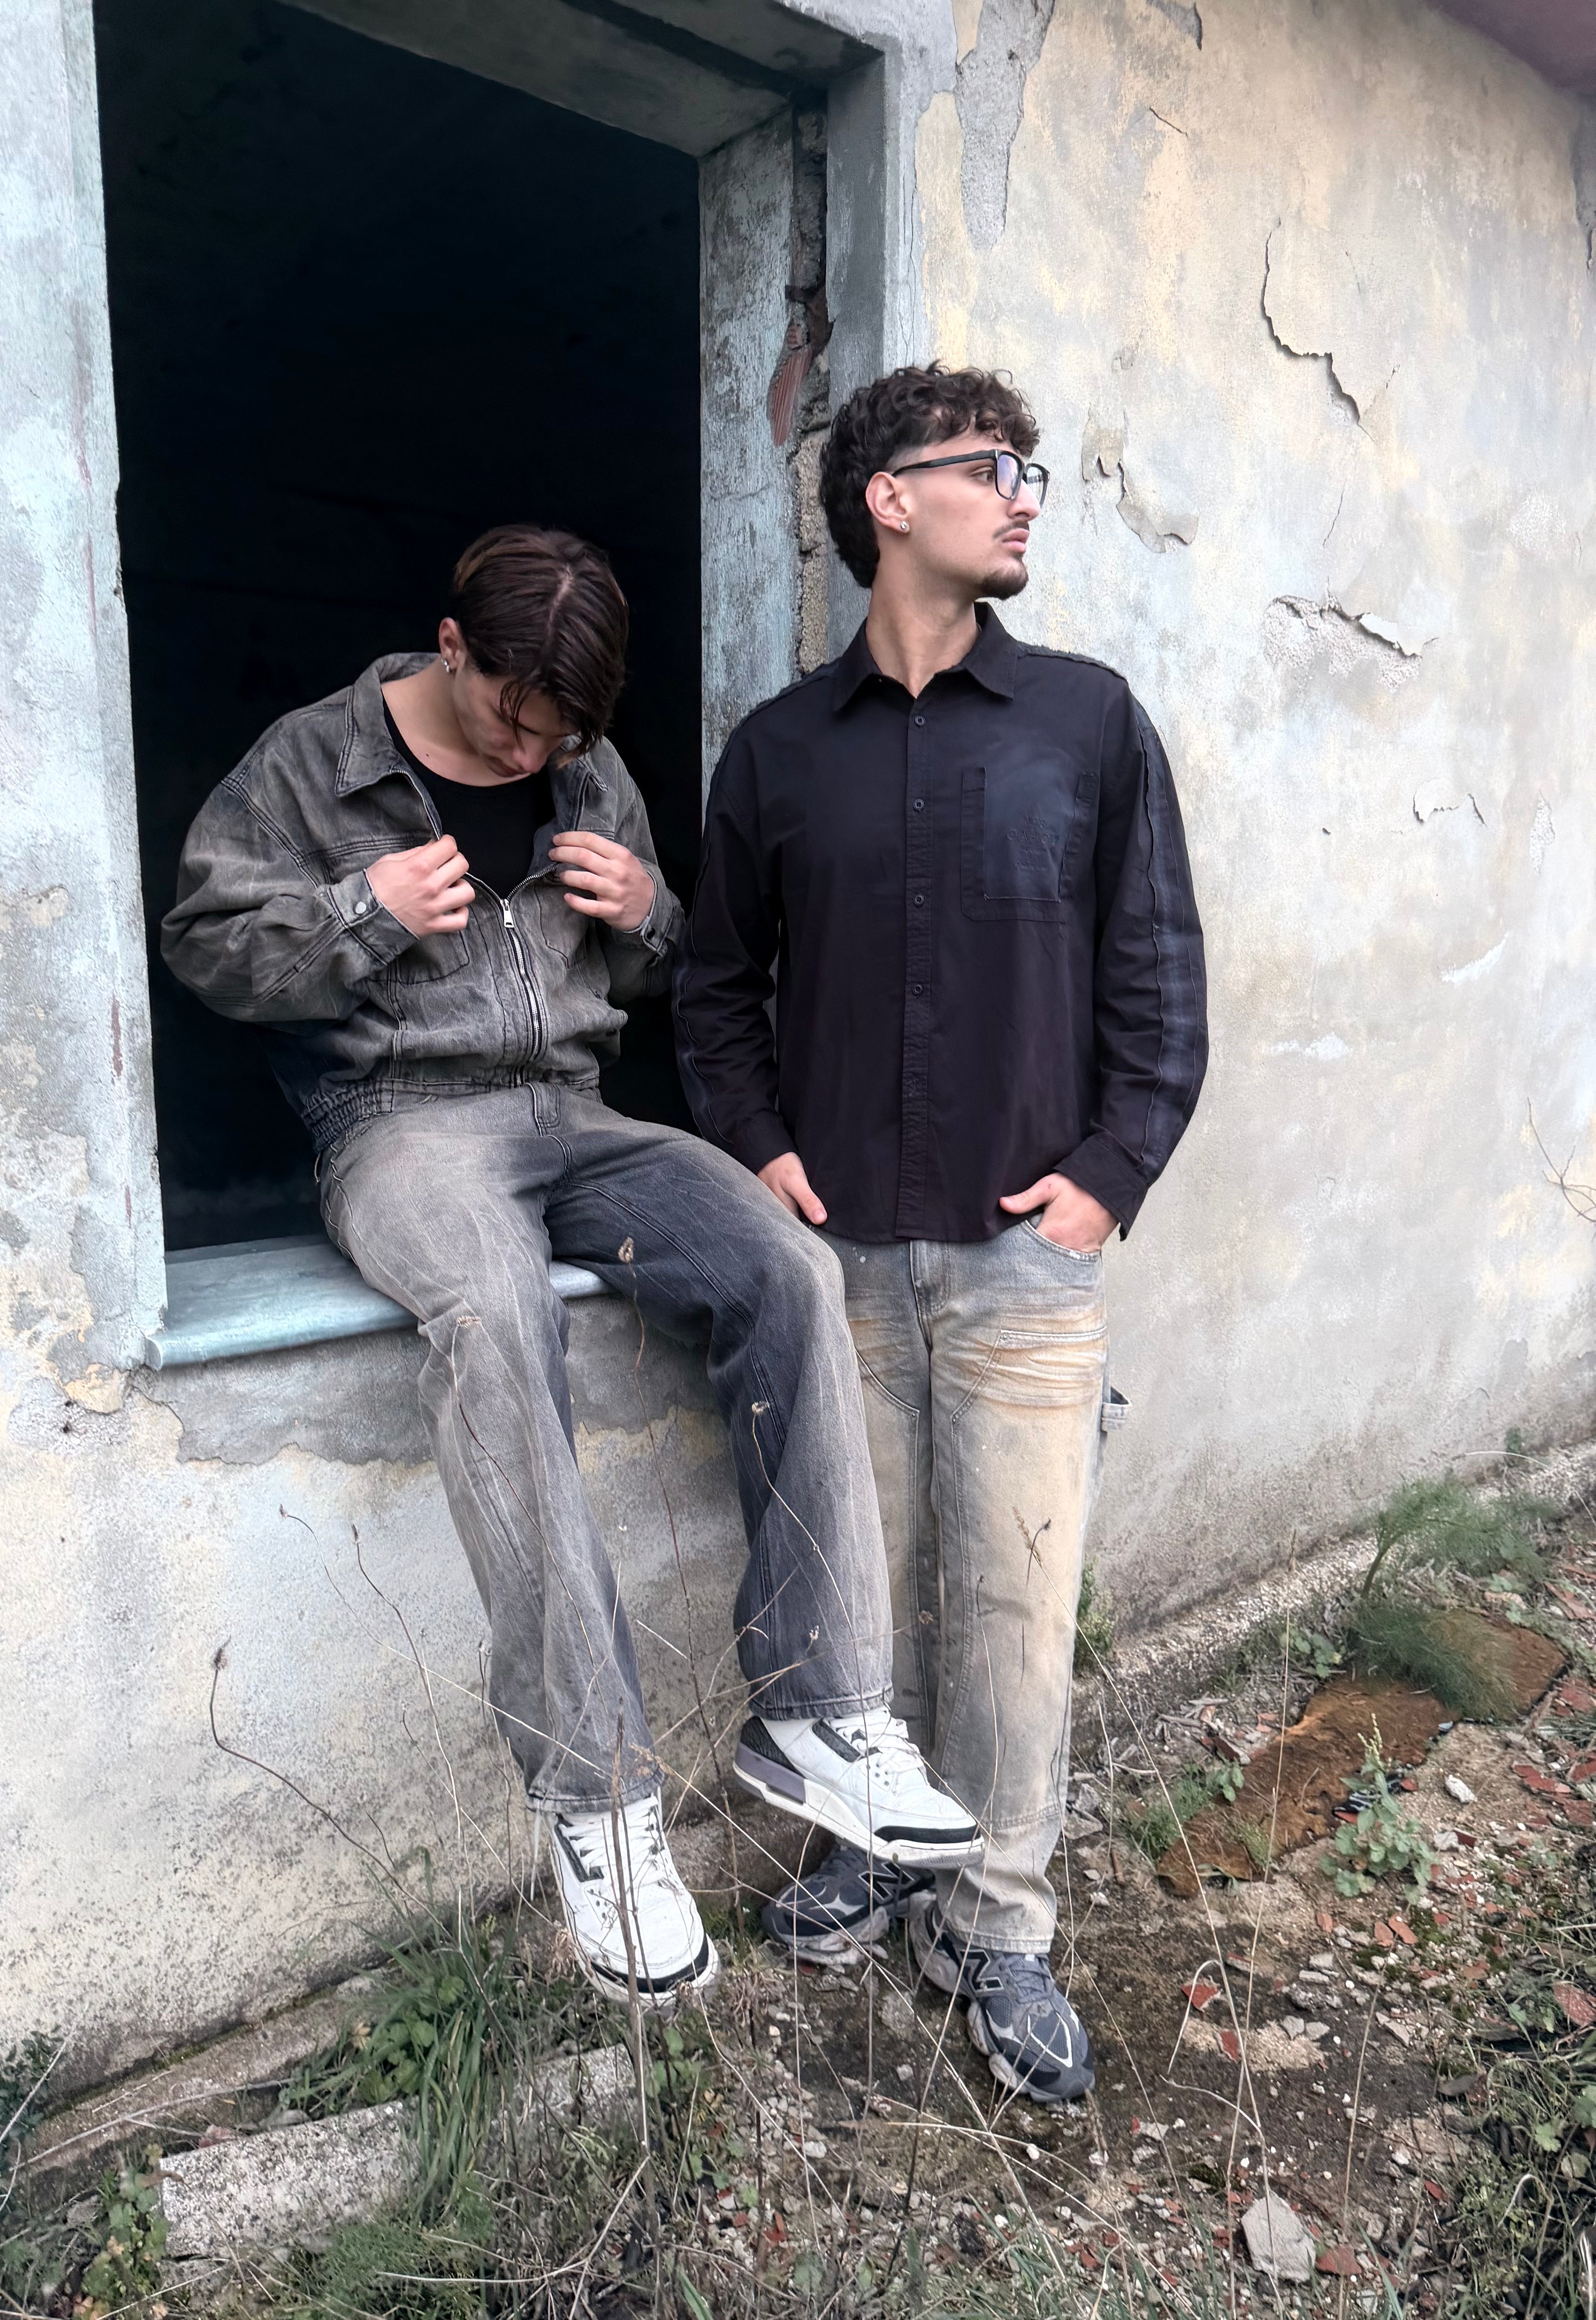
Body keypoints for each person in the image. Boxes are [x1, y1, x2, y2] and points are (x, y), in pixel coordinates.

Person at [161, 524, 982, 2009]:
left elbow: (675, 964)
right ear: (451, 646)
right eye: (512, 716)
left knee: (788, 1268)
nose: (534, 750)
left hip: (577, 1114)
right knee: (493, 1313)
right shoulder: (311, 761)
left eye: (564, 733)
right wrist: (360, 916)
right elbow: (204, 946)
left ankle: (819, 1713)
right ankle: (600, 1801)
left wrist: (646, 913)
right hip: (397, 1124)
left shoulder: (587, 764)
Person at [674, 368, 1208, 2100]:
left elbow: (1158, 978)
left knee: (1015, 1605)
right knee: (853, 1600)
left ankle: (997, 1923)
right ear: (889, 499)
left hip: (1023, 1262)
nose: (1026, 494)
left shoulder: (1087, 723)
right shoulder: (777, 753)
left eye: (1030, 470)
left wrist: (1110, 1175)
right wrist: (758, 1151)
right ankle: (876, 1856)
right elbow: (712, 991)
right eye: (994, 467)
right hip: (837, 1271)